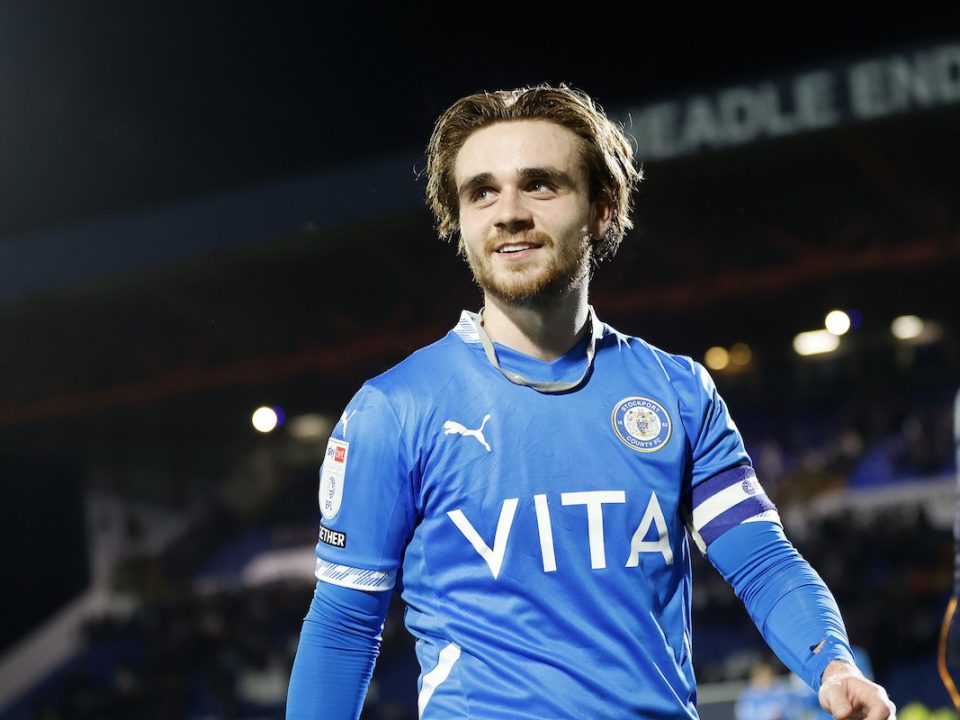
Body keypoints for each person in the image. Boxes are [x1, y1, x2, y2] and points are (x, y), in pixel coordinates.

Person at [286, 84, 896, 719]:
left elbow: (761, 560)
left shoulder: (679, 392)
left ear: (603, 209)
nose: (509, 212)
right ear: (459, 220)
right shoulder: (395, 409)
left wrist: (832, 664)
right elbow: (343, 627)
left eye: (541, 185)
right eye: (482, 192)